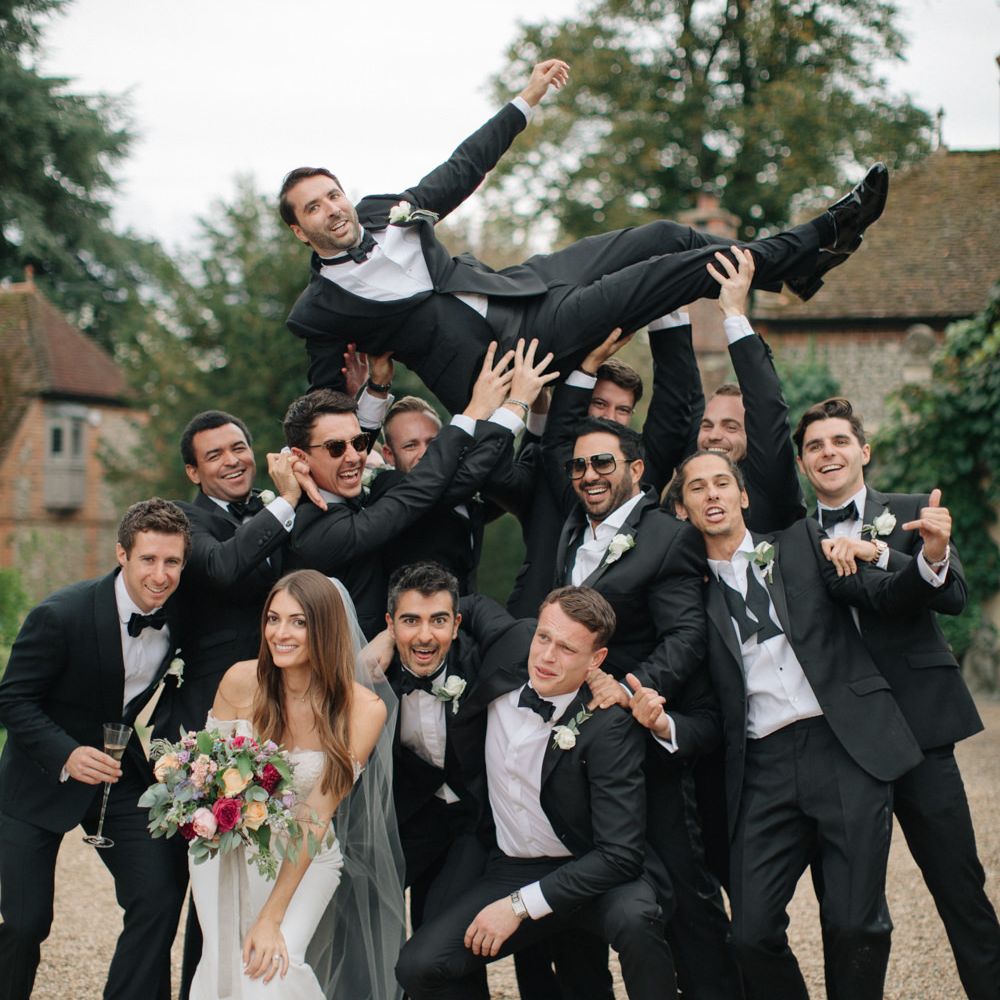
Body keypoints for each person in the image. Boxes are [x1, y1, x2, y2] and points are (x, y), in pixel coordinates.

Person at [281, 57, 889, 414]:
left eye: (333, 194)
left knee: (664, 236)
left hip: (524, 284)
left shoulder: (383, 210)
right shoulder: (320, 312)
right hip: (517, 354)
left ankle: (792, 272)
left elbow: (462, 168)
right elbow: (324, 404)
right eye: (314, 208)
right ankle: (816, 238)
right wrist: (366, 409)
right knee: (669, 276)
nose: (332, 209)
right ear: (299, 230)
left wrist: (526, 99)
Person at [666, 450, 954, 1000]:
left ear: (743, 496)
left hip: (843, 744)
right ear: (683, 509)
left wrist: (927, 560)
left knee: (857, 924)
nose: (712, 494)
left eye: (722, 483)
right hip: (761, 764)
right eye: (697, 488)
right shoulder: (686, 596)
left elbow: (879, 596)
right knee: (751, 935)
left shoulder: (798, 544)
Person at [793, 397, 1000, 999]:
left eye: (839, 441)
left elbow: (953, 596)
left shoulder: (913, 513)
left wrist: (900, 553)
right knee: (845, 906)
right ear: (803, 464)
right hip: (842, 740)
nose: (828, 453)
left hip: (920, 727)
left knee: (960, 887)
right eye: (814, 446)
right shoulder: (793, 538)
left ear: (864, 450)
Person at [395, 586, 677, 1000]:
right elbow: (464, 603)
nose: (546, 656)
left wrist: (518, 906)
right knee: (419, 965)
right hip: (512, 865)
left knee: (637, 920)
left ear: (596, 660)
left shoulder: (609, 725)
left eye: (567, 648)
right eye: (544, 637)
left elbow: (619, 855)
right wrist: (386, 636)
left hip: (592, 868)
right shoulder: (508, 654)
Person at [0, 498, 191, 1000]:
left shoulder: (181, 617)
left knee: (159, 895)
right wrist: (66, 753)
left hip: (117, 773)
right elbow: (12, 699)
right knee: (24, 923)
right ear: (121, 554)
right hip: (38, 778)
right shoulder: (60, 615)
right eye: (148, 559)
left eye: (172, 561)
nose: (160, 575)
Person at [187, 569, 405, 999]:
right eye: (273, 619)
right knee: (223, 968)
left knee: (271, 973)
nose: (280, 633)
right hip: (227, 851)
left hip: (306, 853)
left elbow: (315, 814)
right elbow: (206, 776)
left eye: (298, 622)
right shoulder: (240, 681)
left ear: (325, 628)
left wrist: (271, 916)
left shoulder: (363, 709)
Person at [283, 340, 554, 636]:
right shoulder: (381, 491)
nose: (426, 454)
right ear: (388, 455)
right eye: (411, 445)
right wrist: (505, 407)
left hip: (462, 635)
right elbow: (430, 484)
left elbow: (515, 481)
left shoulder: (468, 494)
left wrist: (377, 388)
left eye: (434, 443)